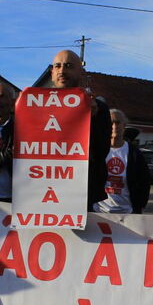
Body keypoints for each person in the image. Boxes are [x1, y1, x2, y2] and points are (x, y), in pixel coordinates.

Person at [49, 49, 112, 210]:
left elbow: (100, 152)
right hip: (43, 189)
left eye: (69, 66)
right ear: (52, 73)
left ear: (81, 73)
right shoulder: (34, 105)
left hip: (81, 194)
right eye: (58, 66)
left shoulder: (99, 108)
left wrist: (93, 118)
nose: (62, 71)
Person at [93, 109, 151, 214]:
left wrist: (141, 205)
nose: (114, 126)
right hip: (99, 211)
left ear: (124, 125)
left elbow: (144, 182)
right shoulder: (96, 151)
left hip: (128, 213)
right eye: (111, 123)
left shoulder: (134, 153)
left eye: (118, 122)